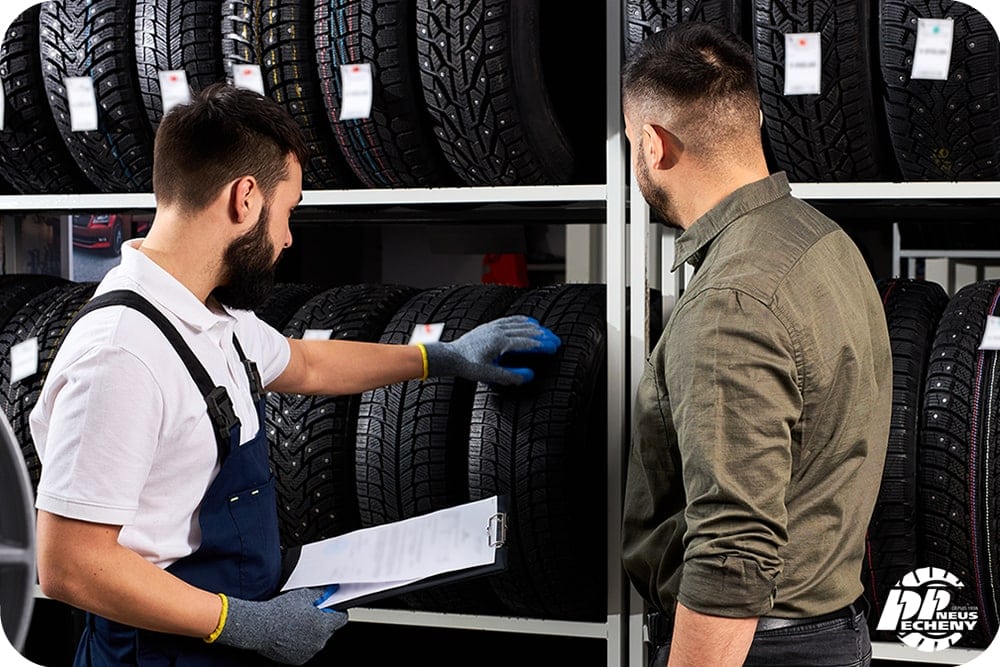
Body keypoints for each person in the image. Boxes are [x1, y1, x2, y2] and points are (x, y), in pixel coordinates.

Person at [30, 82, 561, 667]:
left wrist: (440, 357)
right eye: (289, 212)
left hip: (220, 635)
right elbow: (69, 565)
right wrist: (240, 623)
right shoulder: (121, 354)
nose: (286, 237)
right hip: (157, 652)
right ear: (246, 199)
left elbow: (305, 362)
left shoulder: (212, 316)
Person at [620, 22, 892, 667]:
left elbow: (730, 548)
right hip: (829, 629)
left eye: (632, 143)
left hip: (756, 648)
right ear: (756, 119)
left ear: (653, 146)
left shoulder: (730, 302)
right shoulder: (821, 240)